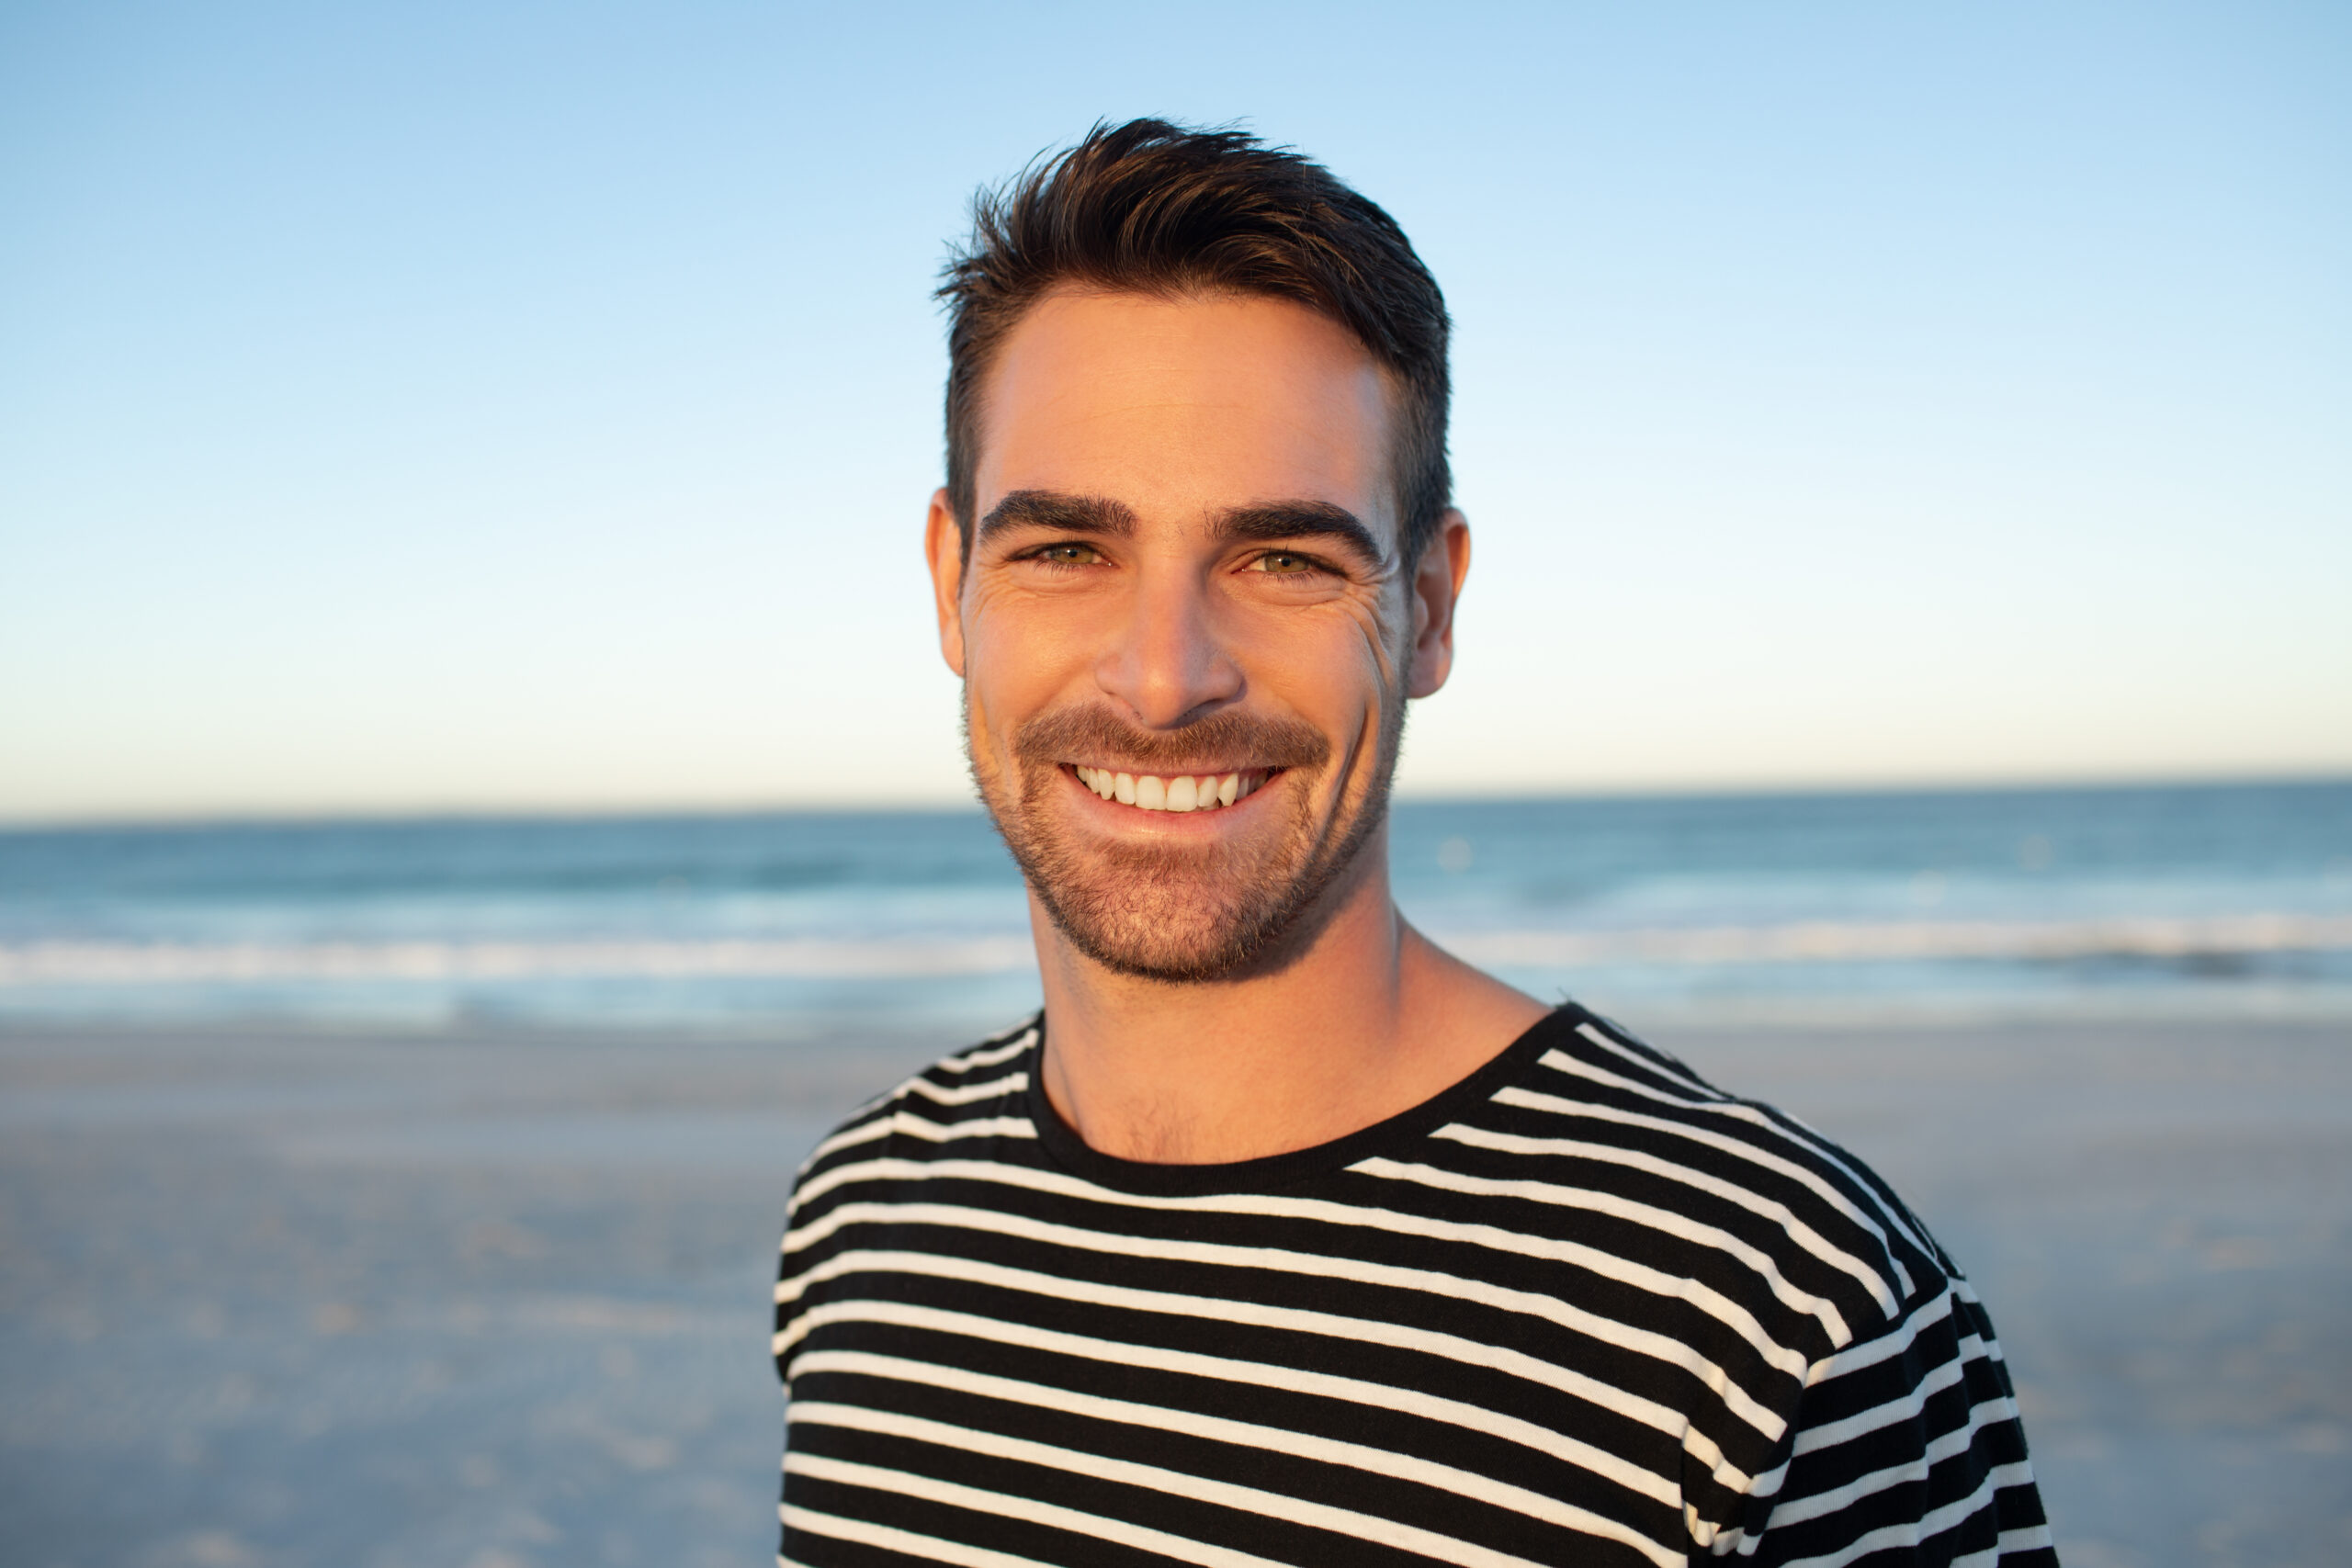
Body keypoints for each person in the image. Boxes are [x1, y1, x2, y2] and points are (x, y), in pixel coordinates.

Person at [775, 119, 2056, 1567]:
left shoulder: (1773, 1308)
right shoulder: (866, 1223)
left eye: (1284, 559)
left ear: (1430, 609)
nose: (1160, 676)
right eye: (1066, 550)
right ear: (953, 585)